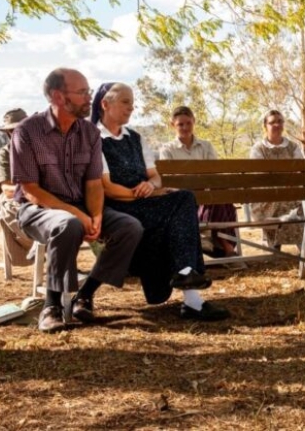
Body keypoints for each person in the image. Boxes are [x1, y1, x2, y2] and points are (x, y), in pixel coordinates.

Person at [11, 68, 140, 333]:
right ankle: (52, 306)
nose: (88, 98)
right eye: (82, 92)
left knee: (130, 227)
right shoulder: (27, 132)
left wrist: (95, 217)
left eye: (88, 91)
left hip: (80, 206)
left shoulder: (90, 133)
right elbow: (31, 190)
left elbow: (93, 183)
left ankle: (86, 294)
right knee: (68, 224)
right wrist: (79, 216)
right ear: (58, 97)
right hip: (37, 209)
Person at [92, 83, 229, 321]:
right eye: (126, 102)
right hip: (119, 209)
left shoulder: (135, 138)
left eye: (132, 103)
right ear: (105, 104)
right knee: (181, 204)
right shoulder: (94, 139)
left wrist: (152, 186)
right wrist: (152, 193)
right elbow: (108, 188)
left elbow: (155, 176)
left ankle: (188, 281)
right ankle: (192, 297)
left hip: (146, 204)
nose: (131, 108)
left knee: (183, 199)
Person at [158, 105, 239, 259]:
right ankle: (228, 250)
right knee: (218, 198)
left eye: (188, 123)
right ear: (172, 125)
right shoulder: (167, 149)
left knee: (216, 194)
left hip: (208, 197)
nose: (185, 127)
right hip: (183, 200)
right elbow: (169, 180)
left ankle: (211, 240)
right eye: (180, 124)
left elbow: (213, 175)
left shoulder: (206, 146)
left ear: (194, 122)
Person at [248, 109, 305, 249]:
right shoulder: (259, 148)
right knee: (280, 201)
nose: (276, 125)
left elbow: (299, 172)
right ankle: (275, 244)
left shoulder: (293, 147)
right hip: (267, 195)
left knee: (295, 202)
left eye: (280, 121)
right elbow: (260, 176)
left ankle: (304, 246)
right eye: (272, 122)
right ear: (265, 126)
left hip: (290, 191)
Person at [0, 108, 34, 266]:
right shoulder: (5, 154)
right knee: (13, 208)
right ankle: (42, 246)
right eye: (12, 130)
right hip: (19, 197)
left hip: (44, 197)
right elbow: (7, 190)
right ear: (8, 133)